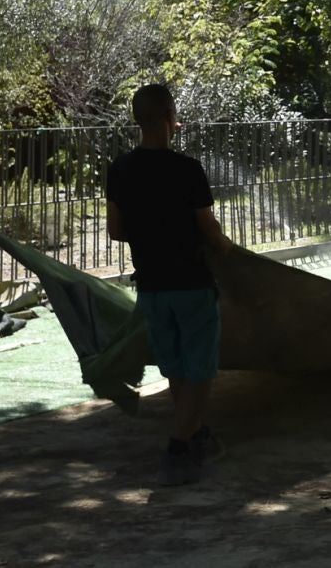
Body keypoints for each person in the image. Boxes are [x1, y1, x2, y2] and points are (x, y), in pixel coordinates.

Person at [106, 83, 235, 486]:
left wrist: (150, 232)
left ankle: (196, 434)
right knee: (200, 371)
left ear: (136, 119)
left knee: (176, 367)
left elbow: (115, 230)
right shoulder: (187, 169)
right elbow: (208, 229)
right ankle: (178, 444)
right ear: (170, 116)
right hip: (192, 283)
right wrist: (226, 251)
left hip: (151, 287)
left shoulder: (120, 170)